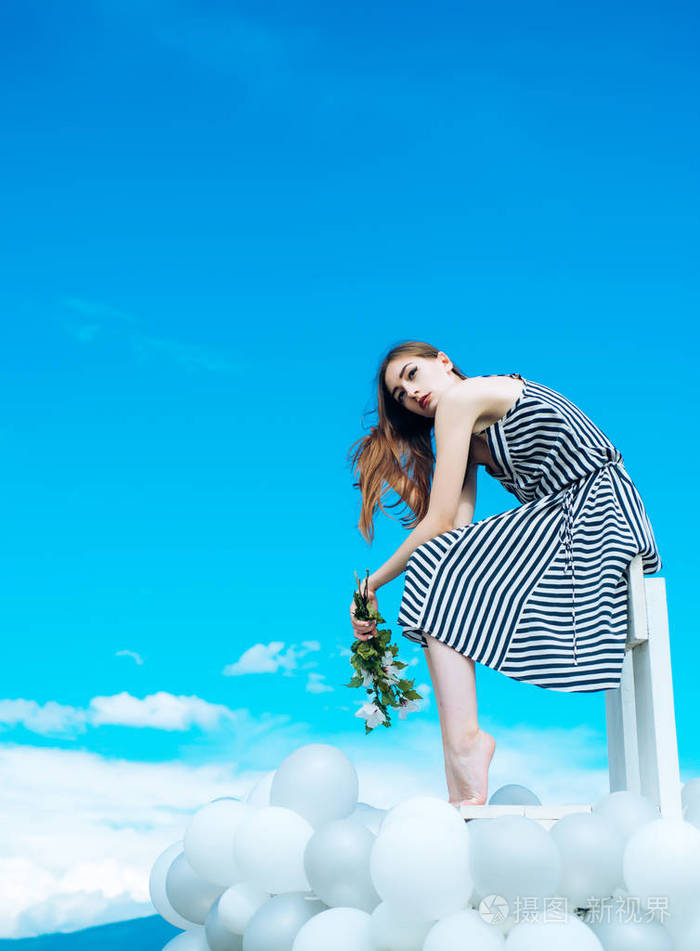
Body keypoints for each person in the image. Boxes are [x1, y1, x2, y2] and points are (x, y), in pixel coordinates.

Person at [347, 340, 662, 808]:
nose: (410, 394)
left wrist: (371, 585)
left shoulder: (463, 397)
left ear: (443, 362)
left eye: (412, 375)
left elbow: (441, 526)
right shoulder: (464, 426)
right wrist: (398, 479)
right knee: (438, 563)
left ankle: (465, 745)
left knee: (433, 565)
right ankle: (462, 748)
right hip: (573, 519)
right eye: (400, 395)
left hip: (595, 516)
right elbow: (453, 529)